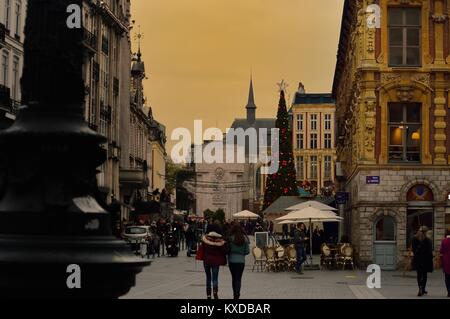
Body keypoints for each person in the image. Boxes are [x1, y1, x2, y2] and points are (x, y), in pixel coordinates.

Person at [201, 231, 227, 299]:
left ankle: (208, 295)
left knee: (208, 277)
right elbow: (224, 251)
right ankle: (215, 293)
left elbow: (202, 249)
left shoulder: (205, 241)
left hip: (206, 261)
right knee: (215, 278)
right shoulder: (220, 243)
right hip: (215, 262)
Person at [228, 224, 250, 300]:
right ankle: (237, 294)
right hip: (241, 261)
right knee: (238, 279)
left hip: (232, 261)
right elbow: (247, 251)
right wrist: (242, 252)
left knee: (233, 278)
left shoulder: (230, 238)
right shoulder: (244, 239)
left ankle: (234, 294)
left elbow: (228, 249)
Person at [412, 226, 434, 296]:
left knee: (419, 274)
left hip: (418, 259)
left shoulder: (414, 239)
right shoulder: (428, 240)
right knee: (424, 275)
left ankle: (420, 288)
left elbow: (413, 249)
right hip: (425, 260)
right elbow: (430, 251)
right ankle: (423, 288)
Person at [440, 228, 450, 298]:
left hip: (446, 260)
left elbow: (441, 251)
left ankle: (449, 291)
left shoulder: (444, 241)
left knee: (447, 277)